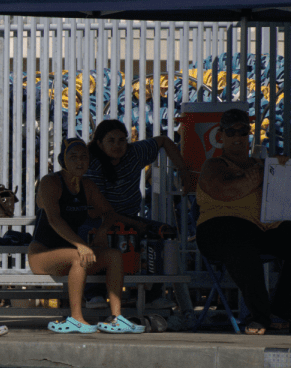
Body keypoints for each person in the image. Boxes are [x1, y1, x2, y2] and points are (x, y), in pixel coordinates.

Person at [28, 137, 145, 334]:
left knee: (114, 256)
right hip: (42, 254)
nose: (80, 162)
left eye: (84, 157)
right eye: (73, 157)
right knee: (79, 256)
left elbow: (109, 213)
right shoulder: (51, 182)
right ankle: (76, 318)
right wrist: (81, 244)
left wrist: (102, 230)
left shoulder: (87, 186)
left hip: (73, 254)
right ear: (63, 160)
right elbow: (55, 220)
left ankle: (117, 318)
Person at [195, 108, 291, 335]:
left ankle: (281, 311)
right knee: (238, 239)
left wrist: (281, 170)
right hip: (218, 228)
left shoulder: (261, 164)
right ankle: (259, 316)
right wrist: (258, 175)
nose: (238, 137)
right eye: (231, 132)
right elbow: (224, 191)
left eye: (243, 131)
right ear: (222, 135)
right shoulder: (215, 165)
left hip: (260, 228)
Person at [84, 119, 193, 309]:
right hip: (98, 218)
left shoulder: (134, 153)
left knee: (160, 233)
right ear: (99, 143)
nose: (117, 145)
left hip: (128, 217)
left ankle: (153, 295)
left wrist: (183, 170)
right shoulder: (92, 163)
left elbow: (164, 141)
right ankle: (94, 294)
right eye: (111, 140)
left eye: (122, 140)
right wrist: (134, 224)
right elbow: (102, 211)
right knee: (94, 236)